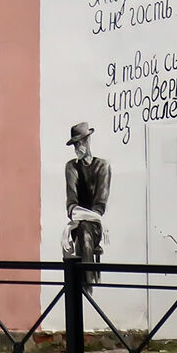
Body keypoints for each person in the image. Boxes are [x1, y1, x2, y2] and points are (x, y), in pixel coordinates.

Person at [63, 121, 111, 290]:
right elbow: (72, 207)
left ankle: (87, 287)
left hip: (95, 228)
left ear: (88, 141)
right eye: (76, 144)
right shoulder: (71, 167)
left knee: (86, 231)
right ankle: (87, 285)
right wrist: (69, 227)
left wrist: (94, 218)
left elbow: (100, 206)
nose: (78, 148)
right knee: (83, 230)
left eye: (81, 142)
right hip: (80, 225)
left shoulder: (102, 167)